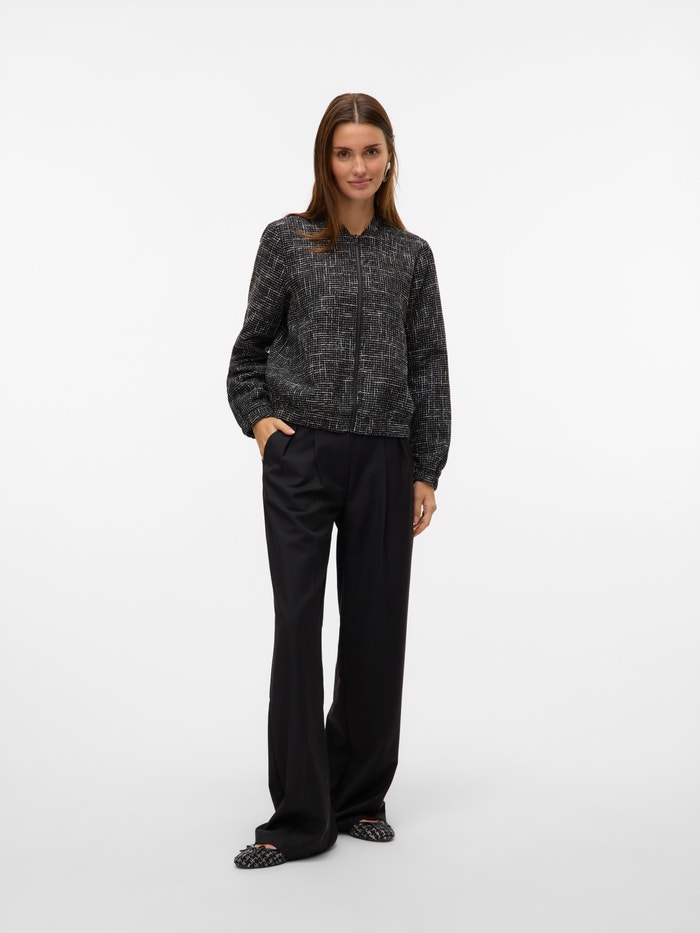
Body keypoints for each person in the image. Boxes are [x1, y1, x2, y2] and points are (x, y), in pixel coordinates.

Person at [226, 92, 451, 869]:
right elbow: (248, 353)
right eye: (344, 152)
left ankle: (358, 797)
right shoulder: (287, 242)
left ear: (390, 158)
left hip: (385, 459)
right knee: (298, 627)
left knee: (376, 628)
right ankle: (298, 816)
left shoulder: (411, 255)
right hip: (302, 456)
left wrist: (426, 468)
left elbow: (429, 364)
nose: (358, 166)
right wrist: (262, 423)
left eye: (371, 151)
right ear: (325, 160)